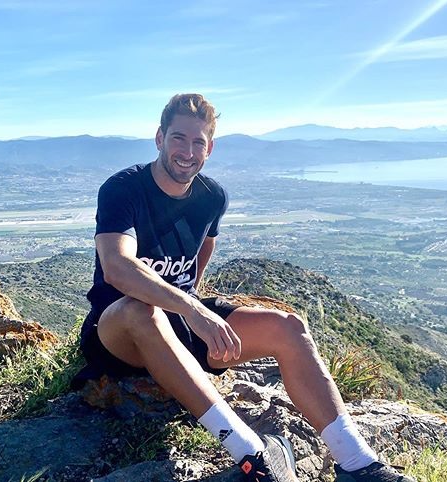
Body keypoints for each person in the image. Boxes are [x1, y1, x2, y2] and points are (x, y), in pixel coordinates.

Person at [75, 93, 415, 482]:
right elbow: (117, 267)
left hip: (183, 325)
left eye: (198, 142)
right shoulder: (124, 189)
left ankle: (357, 462)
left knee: (288, 327)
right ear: (159, 138)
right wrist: (194, 309)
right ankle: (252, 454)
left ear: (210, 148)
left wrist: (192, 306)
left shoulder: (212, 197)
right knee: (143, 310)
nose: (187, 151)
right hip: (120, 331)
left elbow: (205, 245)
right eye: (178, 138)